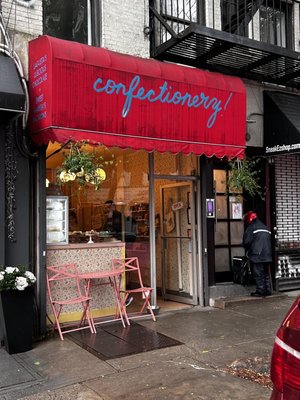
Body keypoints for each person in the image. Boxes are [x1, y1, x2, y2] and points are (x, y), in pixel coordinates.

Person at [243, 211, 272, 297]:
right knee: (266, 273)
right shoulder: (265, 227)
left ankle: (260, 291)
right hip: (267, 254)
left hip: (257, 255)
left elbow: (246, 241)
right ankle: (268, 290)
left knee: (258, 274)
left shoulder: (251, 227)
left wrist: (246, 248)